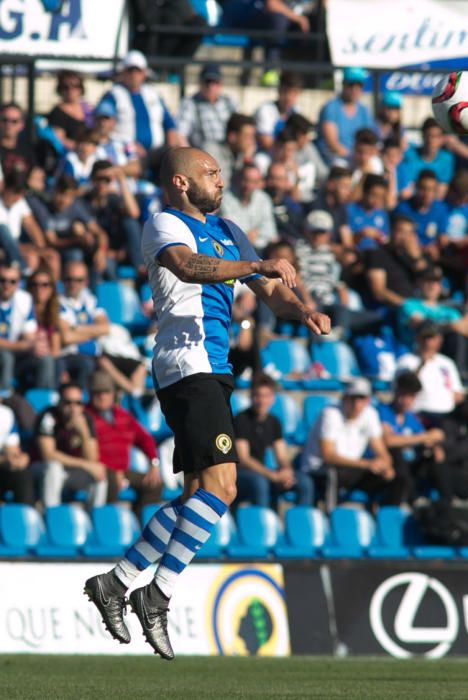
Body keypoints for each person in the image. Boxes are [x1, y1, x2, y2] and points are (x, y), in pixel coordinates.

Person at [84, 146, 330, 660]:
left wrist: (303, 309)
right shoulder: (163, 224)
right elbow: (190, 268)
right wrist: (258, 262)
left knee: (198, 493)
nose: (221, 180)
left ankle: (118, 581)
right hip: (186, 361)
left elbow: (269, 292)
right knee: (224, 486)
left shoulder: (232, 231)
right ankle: (157, 594)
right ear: (181, 181)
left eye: (220, 172)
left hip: (213, 368)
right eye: (212, 173)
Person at [301, 377, 403, 508]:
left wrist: (385, 465)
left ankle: (384, 520)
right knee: (334, 474)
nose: (357, 404)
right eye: (353, 398)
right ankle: (332, 515)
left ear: (368, 401)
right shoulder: (330, 414)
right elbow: (328, 456)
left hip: (352, 467)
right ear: (345, 398)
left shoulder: (370, 414)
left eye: (362, 399)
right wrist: (367, 464)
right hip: (320, 469)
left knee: (396, 478)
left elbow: (380, 449)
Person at [85, 371, 162, 519]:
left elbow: (145, 439)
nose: (102, 396)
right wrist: (113, 471)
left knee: (154, 483)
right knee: (110, 480)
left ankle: (141, 525)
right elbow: (83, 452)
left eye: (106, 392)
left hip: (123, 471)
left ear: (112, 394)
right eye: (97, 392)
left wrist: (154, 462)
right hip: (101, 470)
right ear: (90, 394)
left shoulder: (123, 416)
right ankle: (107, 524)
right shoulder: (85, 417)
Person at [97, 51, 183, 175]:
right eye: (130, 71)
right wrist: (129, 145)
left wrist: (172, 154)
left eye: (137, 71)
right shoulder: (113, 95)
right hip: (125, 151)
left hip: (155, 153)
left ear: (144, 73)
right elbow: (102, 124)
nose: (134, 75)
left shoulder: (153, 94)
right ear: (123, 72)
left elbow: (169, 125)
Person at [234, 373, 313, 507]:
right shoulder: (241, 419)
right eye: (257, 395)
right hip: (242, 475)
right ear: (251, 396)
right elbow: (244, 458)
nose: (261, 400)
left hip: (263, 473)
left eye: (266, 396)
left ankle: (301, 525)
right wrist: (272, 475)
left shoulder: (274, 421)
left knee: (304, 482)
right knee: (260, 483)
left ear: (272, 398)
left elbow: (281, 456)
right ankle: (262, 525)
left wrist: (286, 471)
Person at [34, 382, 107, 509]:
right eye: (68, 402)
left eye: (78, 403)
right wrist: (85, 465)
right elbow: (48, 455)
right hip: (40, 468)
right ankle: (52, 515)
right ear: (60, 402)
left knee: (99, 475)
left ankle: (94, 520)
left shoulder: (86, 419)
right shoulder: (49, 416)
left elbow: (92, 459)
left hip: (70, 470)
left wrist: (84, 433)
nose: (73, 408)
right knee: (54, 468)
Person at [378, 371, 445, 504]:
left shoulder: (412, 419)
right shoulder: (382, 411)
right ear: (396, 392)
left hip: (411, 465)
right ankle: (410, 501)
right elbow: (388, 440)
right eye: (403, 394)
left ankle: (446, 501)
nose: (406, 401)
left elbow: (424, 439)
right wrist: (422, 437)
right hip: (391, 467)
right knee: (397, 455)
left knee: (435, 460)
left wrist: (435, 443)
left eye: (411, 396)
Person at [396, 321, 465, 423]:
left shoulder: (447, 363)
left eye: (432, 337)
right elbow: (404, 389)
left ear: (439, 339)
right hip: (419, 413)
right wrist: (422, 364)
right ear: (417, 338)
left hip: (446, 415)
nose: (428, 342)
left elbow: (458, 393)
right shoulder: (406, 361)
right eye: (425, 338)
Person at [82, 160, 144, 275]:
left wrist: (121, 180)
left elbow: (134, 213)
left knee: (130, 222)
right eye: (98, 179)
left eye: (107, 180)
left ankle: (140, 267)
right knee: (107, 266)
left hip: (117, 250)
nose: (102, 183)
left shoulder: (113, 198)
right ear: (92, 179)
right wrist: (107, 252)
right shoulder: (84, 200)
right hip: (97, 251)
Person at [0, 263, 52, 391]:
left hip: (17, 353)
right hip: (6, 354)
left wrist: (35, 343)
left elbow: (28, 332)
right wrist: (22, 345)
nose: (7, 285)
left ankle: (41, 402)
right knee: (6, 357)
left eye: (12, 281)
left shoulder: (24, 299)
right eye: (2, 280)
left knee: (45, 357)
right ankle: (4, 398)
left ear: (18, 284)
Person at [59, 261, 110, 388]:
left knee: (135, 365)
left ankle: (135, 394)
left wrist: (76, 328)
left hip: (94, 356)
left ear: (86, 281)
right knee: (88, 364)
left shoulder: (90, 299)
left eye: (79, 280)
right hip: (69, 356)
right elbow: (66, 338)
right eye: (69, 279)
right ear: (62, 280)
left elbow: (105, 328)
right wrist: (94, 332)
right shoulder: (57, 303)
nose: (73, 284)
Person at [365, 214, 430, 312]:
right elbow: (379, 292)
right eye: (401, 232)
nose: (405, 237)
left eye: (409, 233)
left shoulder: (414, 256)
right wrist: (407, 305)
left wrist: (416, 257)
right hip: (393, 310)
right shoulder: (378, 254)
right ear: (391, 232)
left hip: (418, 306)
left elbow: (430, 280)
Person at [0, 169, 57, 276]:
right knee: (3, 229)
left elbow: (32, 226)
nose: (17, 197)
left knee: (52, 256)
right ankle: (22, 269)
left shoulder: (20, 203)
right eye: (15, 192)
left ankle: (53, 290)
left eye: (21, 193)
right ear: (5, 187)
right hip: (3, 247)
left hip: (16, 246)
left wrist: (40, 247)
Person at [316, 67, 375, 164]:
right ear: (343, 84)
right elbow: (332, 143)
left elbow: (368, 140)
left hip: (357, 157)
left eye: (359, 85)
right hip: (333, 157)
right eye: (351, 85)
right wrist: (352, 157)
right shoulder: (331, 107)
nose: (354, 89)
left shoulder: (364, 111)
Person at [176, 64, 238, 149]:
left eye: (215, 82)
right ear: (200, 83)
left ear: (221, 84)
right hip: (203, 153)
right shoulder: (190, 103)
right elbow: (180, 135)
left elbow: (241, 128)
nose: (211, 86)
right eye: (207, 82)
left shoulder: (229, 102)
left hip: (228, 151)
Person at [220, 164, 278, 255]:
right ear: (238, 179)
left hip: (262, 250)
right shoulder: (225, 199)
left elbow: (270, 232)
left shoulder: (264, 199)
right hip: (234, 250)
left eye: (253, 182)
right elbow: (231, 230)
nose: (248, 185)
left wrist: (256, 234)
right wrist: (251, 236)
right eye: (246, 180)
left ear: (259, 183)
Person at [394, 169, 450, 257]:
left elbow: (442, 234)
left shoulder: (441, 209)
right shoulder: (403, 209)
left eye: (431, 189)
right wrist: (423, 248)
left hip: (431, 256)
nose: (427, 194)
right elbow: (399, 238)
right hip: (406, 255)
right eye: (423, 189)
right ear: (416, 187)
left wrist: (440, 242)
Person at [206, 113, 257, 192]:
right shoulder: (211, 152)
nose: (251, 142)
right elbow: (220, 187)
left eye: (252, 137)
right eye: (247, 136)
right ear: (232, 137)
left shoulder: (242, 154)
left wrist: (247, 161)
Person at [404, 118, 454, 198]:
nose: (431, 140)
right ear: (422, 136)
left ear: (442, 139)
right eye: (428, 136)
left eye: (436, 136)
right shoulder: (409, 154)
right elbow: (406, 188)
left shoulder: (446, 159)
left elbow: (440, 194)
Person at [255, 71, 303, 151]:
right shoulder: (266, 110)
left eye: (294, 93)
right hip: (266, 155)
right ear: (279, 90)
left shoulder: (296, 111)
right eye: (286, 92)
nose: (289, 98)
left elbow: (301, 141)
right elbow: (266, 143)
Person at [47, 70, 93, 153]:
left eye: (75, 86)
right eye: (66, 87)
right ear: (60, 89)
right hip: (70, 154)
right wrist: (78, 148)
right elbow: (59, 139)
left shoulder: (87, 108)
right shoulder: (58, 112)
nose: (71, 90)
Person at [0, 401, 33, 504]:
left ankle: (23, 516)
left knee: (22, 475)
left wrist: (18, 459)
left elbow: (12, 448)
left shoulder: (5, 414)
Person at [346, 173, 389, 251]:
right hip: (356, 254)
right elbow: (346, 243)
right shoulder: (350, 210)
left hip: (376, 255)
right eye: (373, 195)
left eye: (381, 196)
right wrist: (361, 234)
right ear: (364, 192)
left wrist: (381, 239)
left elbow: (386, 239)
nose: (377, 200)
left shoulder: (381, 214)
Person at [266, 162, 304, 243]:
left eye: (279, 179)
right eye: (272, 178)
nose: (275, 183)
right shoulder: (259, 204)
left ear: (286, 182)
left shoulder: (293, 207)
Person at [0, 102, 37, 176]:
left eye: (14, 121)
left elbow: (37, 176)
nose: (8, 125)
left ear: (21, 125)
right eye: (5, 120)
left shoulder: (27, 150)